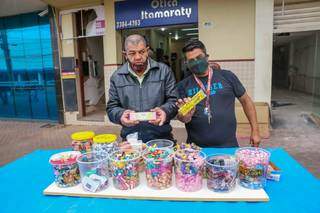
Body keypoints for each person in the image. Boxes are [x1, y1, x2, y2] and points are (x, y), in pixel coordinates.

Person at [176, 40, 261, 147]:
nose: (196, 62)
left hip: (228, 146)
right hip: (196, 149)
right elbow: (181, 117)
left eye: (199, 57)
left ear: (207, 57)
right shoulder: (182, 85)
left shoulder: (227, 76)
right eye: (191, 60)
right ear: (186, 63)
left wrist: (255, 131)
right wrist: (185, 116)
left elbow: (246, 101)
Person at [106, 34, 178, 142]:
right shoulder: (117, 77)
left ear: (147, 50)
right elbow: (111, 108)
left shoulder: (164, 71)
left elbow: (174, 101)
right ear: (125, 54)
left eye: (141, 52)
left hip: (161, 139)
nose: (138, 57)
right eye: (132, 53)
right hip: (131, 141)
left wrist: (165, 111)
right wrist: (120, 115)